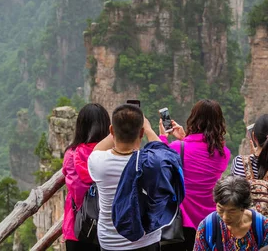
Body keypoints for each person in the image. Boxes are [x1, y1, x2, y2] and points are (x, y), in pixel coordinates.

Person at [87, 103, 163, 251]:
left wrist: (117, 127)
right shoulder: (153, 163)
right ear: (141, 133)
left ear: (111, 130)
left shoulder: (97, 162)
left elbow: (97, 149)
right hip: (147, 241)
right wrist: (148, 129)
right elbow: (163, 153)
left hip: (110, 242)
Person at [159, 99, 231, 251]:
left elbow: (159, 162)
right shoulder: (224, 154)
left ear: (193, 119)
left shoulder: (177, 148)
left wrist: (163, 137)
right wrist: (185, 139)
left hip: (181, 224)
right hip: (210, 223)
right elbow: (202, 154)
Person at [62, 103, 111, 251]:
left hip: (78, 228)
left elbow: (70, 180)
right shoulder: (113, 154)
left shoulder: (71, 154)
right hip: (109, 228)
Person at [193, 176, 268, 250]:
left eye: (232, 211)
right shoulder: (207, 227)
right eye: (220, 209)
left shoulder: (264, 228)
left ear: (243, 207)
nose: (225, 217)